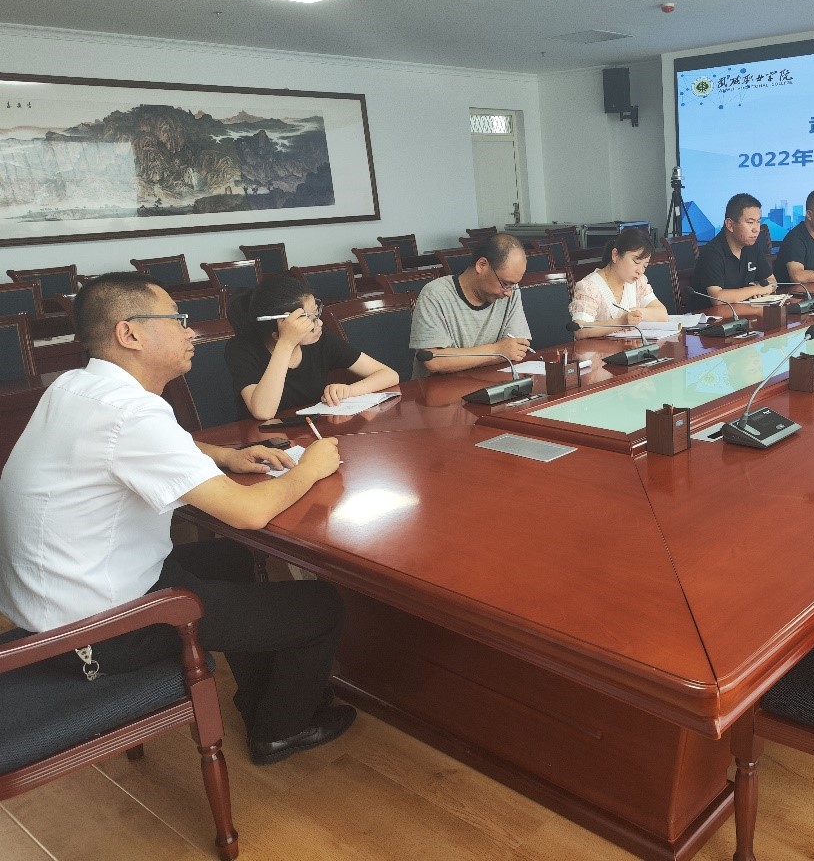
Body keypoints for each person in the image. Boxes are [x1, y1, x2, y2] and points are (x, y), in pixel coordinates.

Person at [0, 272, 354, 765]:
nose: (191, 332)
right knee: (321, 605)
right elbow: (249, 512)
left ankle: (260, 703)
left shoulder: (77, 386)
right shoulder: (131, 414)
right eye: (177, 320)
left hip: (64, 602)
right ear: (130, 334)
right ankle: (283, 730)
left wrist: (225, 455)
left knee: (234, 560)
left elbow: (151, 444)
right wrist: (310, 468)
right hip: (100, 633)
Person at [226, 273, 399, 420]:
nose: (319, 323)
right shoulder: (241, 349)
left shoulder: (320, 339)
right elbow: (263, 412)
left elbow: (389, 375)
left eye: (316, 314)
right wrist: (286, 343)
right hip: (262, 440)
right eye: (310, 319)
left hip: (314, 432)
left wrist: (349, 390)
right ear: (277, 332)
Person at [410, 232, 533, 375]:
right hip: (441, 386)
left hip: (491, 380)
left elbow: (516, 349)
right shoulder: (435, 295)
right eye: (505, 283)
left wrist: (503, 352)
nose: (509, 293)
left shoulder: (509, 291)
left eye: (513, 285)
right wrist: (497, 351)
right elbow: (434, 361)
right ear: (482, 265)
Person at [569, 227, 670, 337]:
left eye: (645, 266)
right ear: (615, 255)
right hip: (599, 348)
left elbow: (662, 313)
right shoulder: (589, 287)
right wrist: (621, 322)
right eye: (636, 262)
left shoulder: (638, 282)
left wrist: (636, 313)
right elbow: (580, 330)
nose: (640, 271)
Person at [693, 193, 778, 308]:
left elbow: (772, 280)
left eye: (758, 222)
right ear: (730, 225)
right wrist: (756, 290)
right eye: (750, 222)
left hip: (744, 312)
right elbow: (717, 298)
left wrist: (764, 289)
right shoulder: (712, 253)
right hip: (712, 317)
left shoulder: (752, 246)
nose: (756, 229)